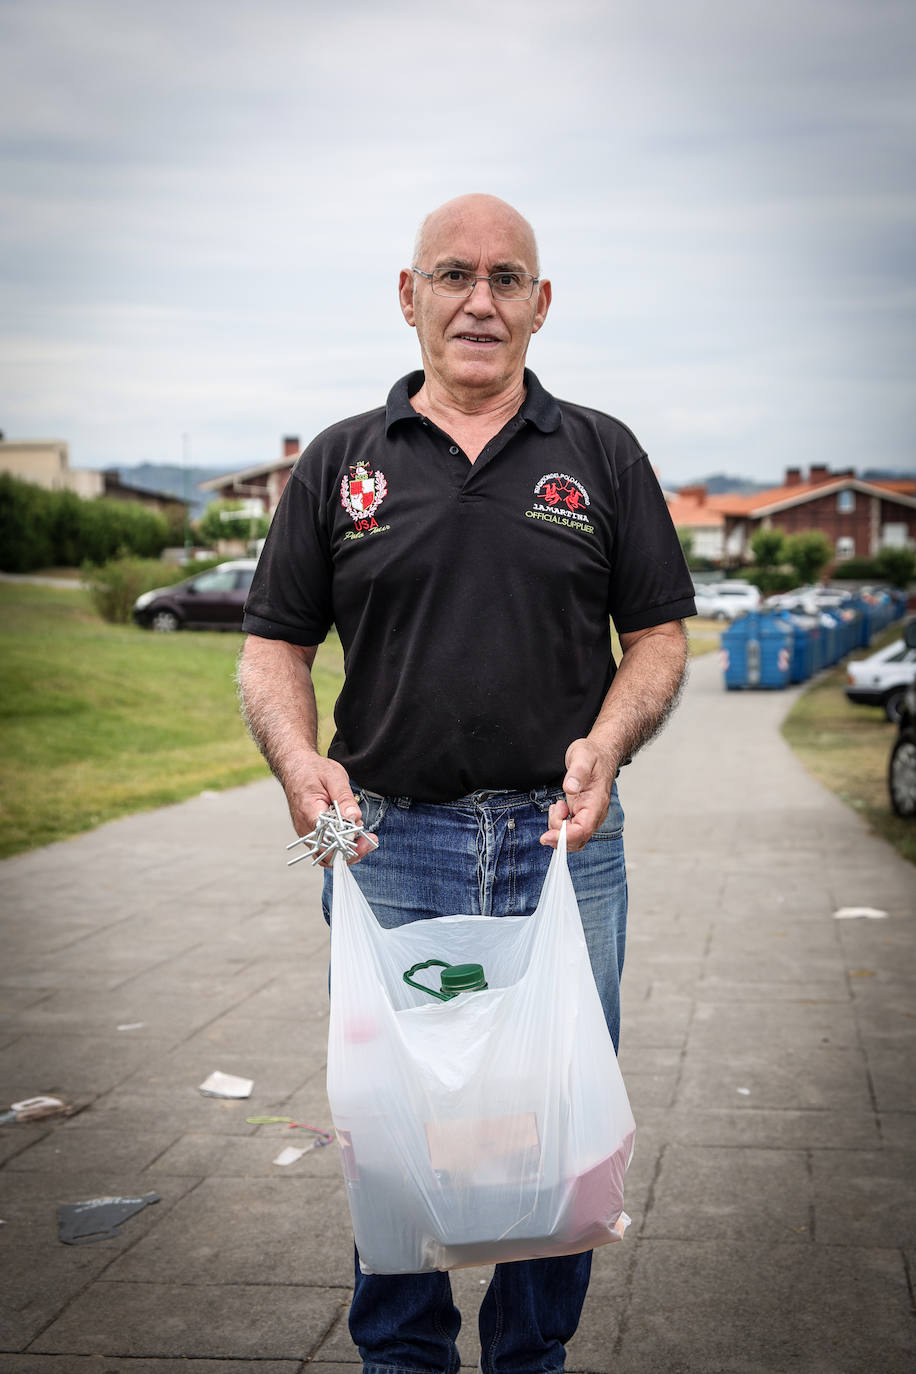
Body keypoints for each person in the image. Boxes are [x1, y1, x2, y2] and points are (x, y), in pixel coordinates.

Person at [238, 192, 695, 1374]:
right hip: (389, 847)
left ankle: (530, 1358)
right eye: (452, 275)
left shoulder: (601, 451)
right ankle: (403, 1357)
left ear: (541, 304)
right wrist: (298, 761)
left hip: (563, 847)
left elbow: (657, 638)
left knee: (559, 1129)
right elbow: (273, 648)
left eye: (505, 278)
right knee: (396, 1133)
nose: (478, 301)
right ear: (410, 297)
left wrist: (608, 743)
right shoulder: (340, 462)